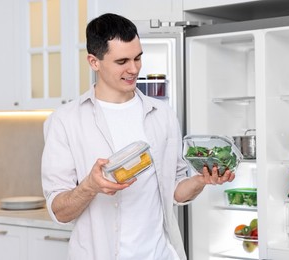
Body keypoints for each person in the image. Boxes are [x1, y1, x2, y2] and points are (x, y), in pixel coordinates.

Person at [41, 13, 235, 260]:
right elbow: (59, 211)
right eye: (122, 61)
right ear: (94, 61)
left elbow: (174, 190)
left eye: (138, 58)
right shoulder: (65, 121)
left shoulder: (162, 114)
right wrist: (90, 186)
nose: (133, 69)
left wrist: (201, 181)